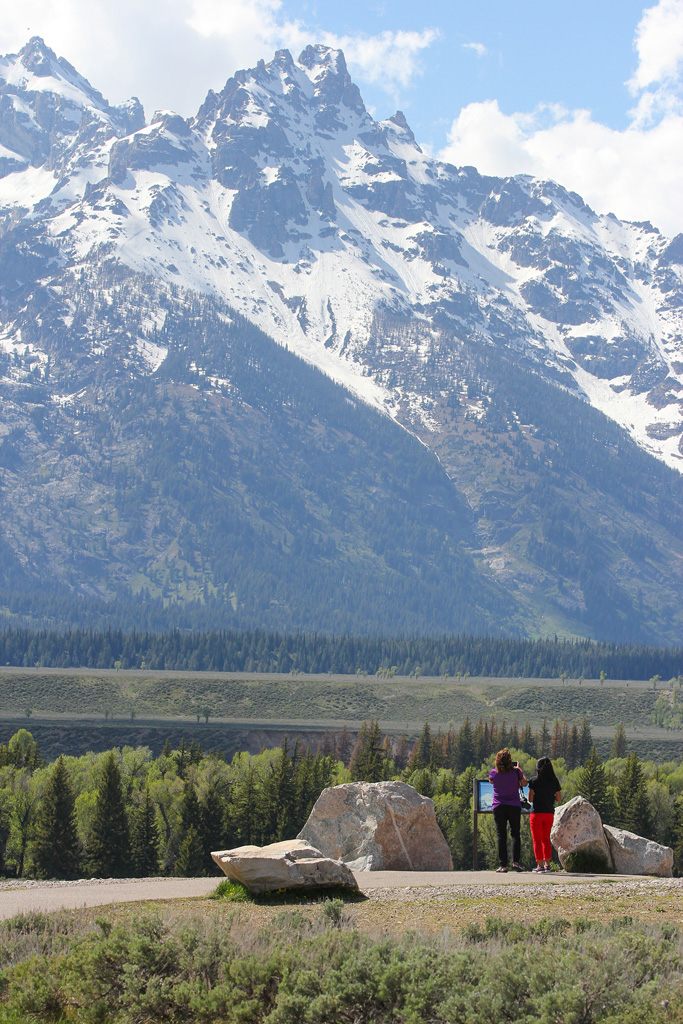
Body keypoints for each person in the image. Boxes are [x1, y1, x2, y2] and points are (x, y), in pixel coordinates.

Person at [489, 748, 527, 872]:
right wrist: (519, 769)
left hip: (499, 806)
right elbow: (524, 783)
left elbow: (491, 781)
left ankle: (503, 865)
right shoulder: (516, 772)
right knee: (515, 834)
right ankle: (515, 863)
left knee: (501, 835)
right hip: (514, 805)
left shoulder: (494, 773)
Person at [527, 756, 562, 872]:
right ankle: (547, 864)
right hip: (549, 813)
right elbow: (559, 798)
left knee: (536, 840)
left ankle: (540, 865)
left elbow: (530, 799)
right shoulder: (554, 781)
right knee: (546, 839)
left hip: (536, 813)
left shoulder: (534, 781)